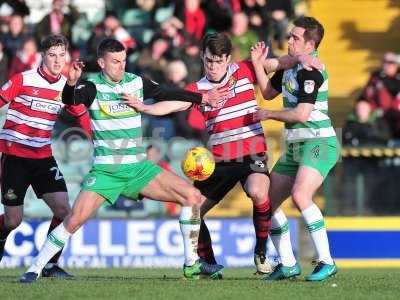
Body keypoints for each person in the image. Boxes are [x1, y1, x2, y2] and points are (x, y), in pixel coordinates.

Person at [19, 38, 229, 283]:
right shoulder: (92, 87)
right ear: (101, 63)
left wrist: (201, 98)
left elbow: (166, 92)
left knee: (192, 196)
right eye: (115, 62)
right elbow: (70, 100)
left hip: (137, 168)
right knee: (73, 220)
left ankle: (191, 264)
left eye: (123, 61)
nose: (121, 66)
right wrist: (73, 82)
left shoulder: (135, 82)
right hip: (107, 171)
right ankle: (34, 268)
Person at [122, 32, 322, 276]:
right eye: (208, 60)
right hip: (217, 160)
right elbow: (173, 103)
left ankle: (260, 253)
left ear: (227, 59)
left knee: (259, 191)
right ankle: (209, 264)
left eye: (217, 61)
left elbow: (281, 62)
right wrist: (146, 108)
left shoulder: (246, 69)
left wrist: (306, 58)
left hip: (251, 154)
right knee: (193, 206)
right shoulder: (198, 89)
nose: (212, 66)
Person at [252, 16, 339, 281]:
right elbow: (266, 92)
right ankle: (288, 263)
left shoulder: (311, 70)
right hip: (295, 147)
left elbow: (302, 114)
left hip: (319, 142)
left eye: (295, 38)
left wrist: (268, 115)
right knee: (266, 203)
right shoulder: (292, 66)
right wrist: (257, 63)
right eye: (289, 36)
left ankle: (327, 260)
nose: (289, 40)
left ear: (311, 44)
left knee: (301, 196)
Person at [0, 34, 87, 278]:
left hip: (43, 158)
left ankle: (49, 265)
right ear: (43, 55)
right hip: (14, 157)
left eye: (62, 55)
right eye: (52, 55)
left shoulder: (66, 87)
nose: (58, 60)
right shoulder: (23, 79)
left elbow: (81, 115)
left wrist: (95, 139)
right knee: (13, 220)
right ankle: (2, 233)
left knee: (64, 211)